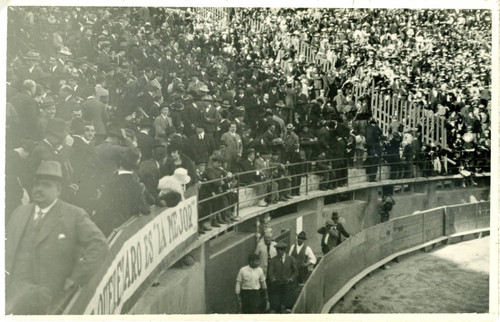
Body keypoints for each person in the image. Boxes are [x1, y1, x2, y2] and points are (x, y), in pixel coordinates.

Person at [5, 161, 108, 314]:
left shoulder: (74, 215)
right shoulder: (19, 213)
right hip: (15, 297)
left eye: (46, 185)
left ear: (58, 190)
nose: (39, 189)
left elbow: (99, 245)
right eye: (37, 184)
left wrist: (75, 278)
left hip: (52, 300)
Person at [93, 146, 151, 237]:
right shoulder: (137, 184)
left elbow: (102, 206)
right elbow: (145, 209)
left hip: (106, 228)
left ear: (119, 163)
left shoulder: (111, 181)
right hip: (123, 230)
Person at [268, 242, 298, 313]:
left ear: (284, 250)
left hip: (287, 285)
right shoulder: (273, 260)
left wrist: (291, 279)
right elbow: (270, 272)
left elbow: (295, 272)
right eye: (277, 250)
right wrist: (273, 280)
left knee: (288, 304)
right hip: (277, 285)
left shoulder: (290, 259)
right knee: (277, 305)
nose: (278, 252)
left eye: (280, 250)